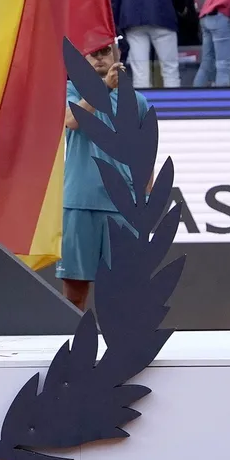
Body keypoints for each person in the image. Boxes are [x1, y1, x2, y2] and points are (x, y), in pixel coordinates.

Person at [59, 43, 150, 310]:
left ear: (116, 54)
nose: (100, 58)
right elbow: (71, 120)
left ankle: (123, 337)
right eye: (94, 53)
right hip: (79, 202)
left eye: (106, 51)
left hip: (123, 205)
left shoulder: (137, 101)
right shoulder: (70, 91)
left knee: (125, 289)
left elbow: (146, 154)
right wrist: (105, 89)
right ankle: (75, 336)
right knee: (75, 290)